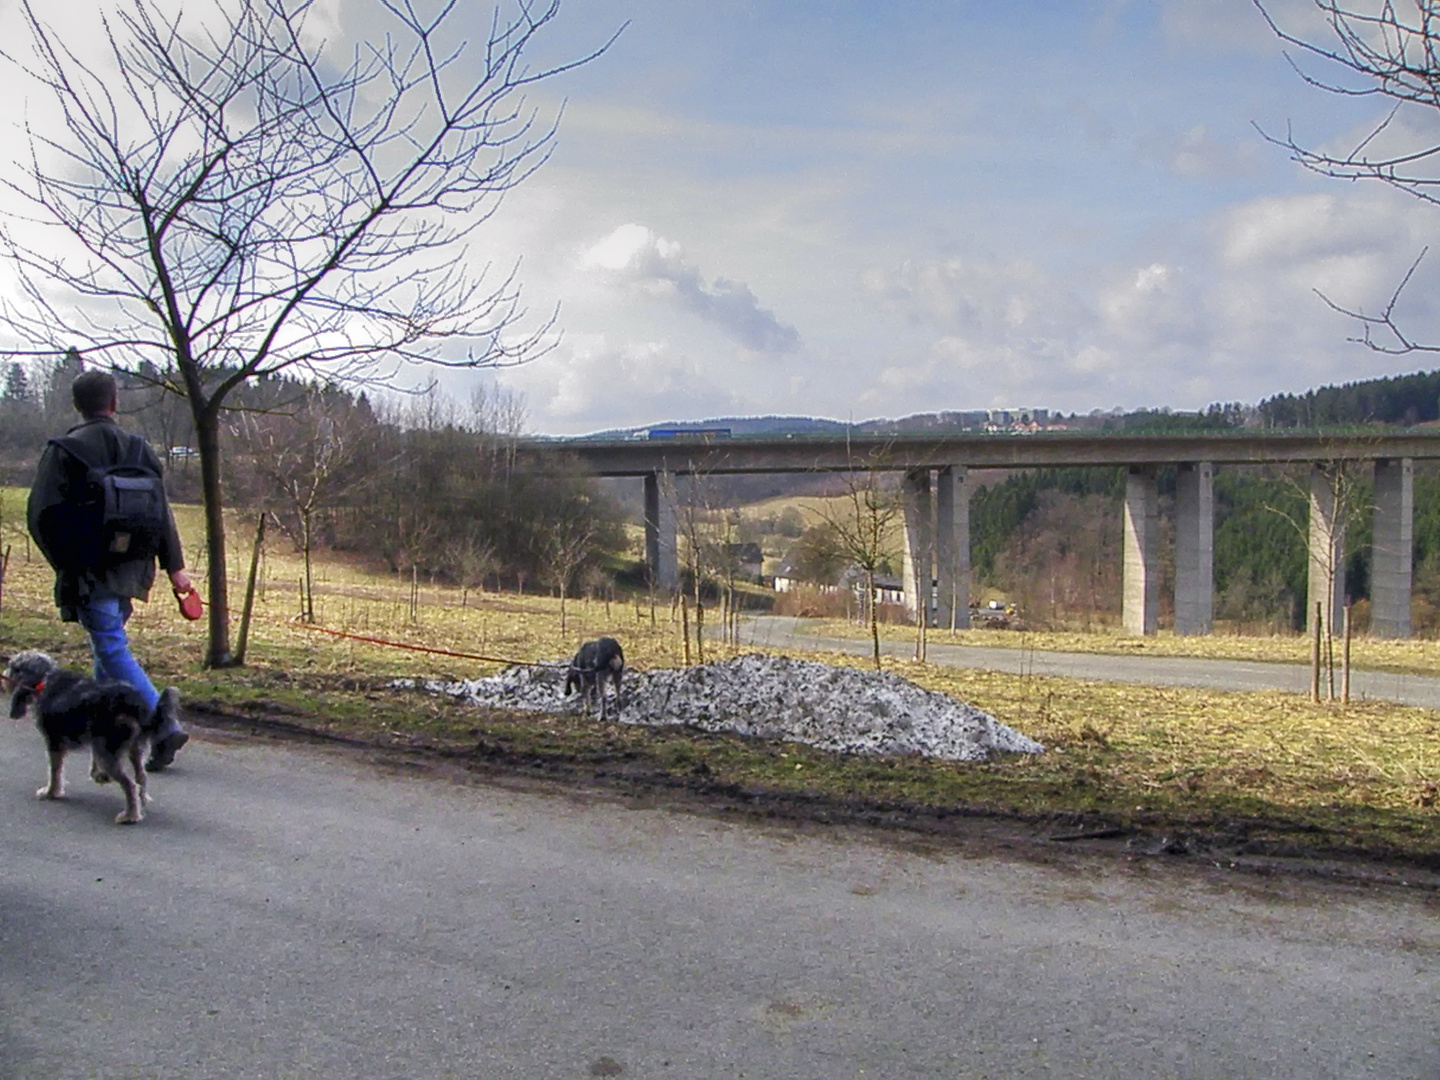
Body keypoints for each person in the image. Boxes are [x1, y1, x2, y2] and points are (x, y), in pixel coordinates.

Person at [27, 369, 193, 770]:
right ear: (114, 403)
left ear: (77, 405)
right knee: (106, 647)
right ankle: (110, 733)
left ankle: (162, 722)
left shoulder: (65, 451)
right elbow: (161, 513)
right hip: (134, 570)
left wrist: (65, 562)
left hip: (91, 572)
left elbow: (40, 515)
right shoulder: (140, 450)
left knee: (111, 647)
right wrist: (176, 568)